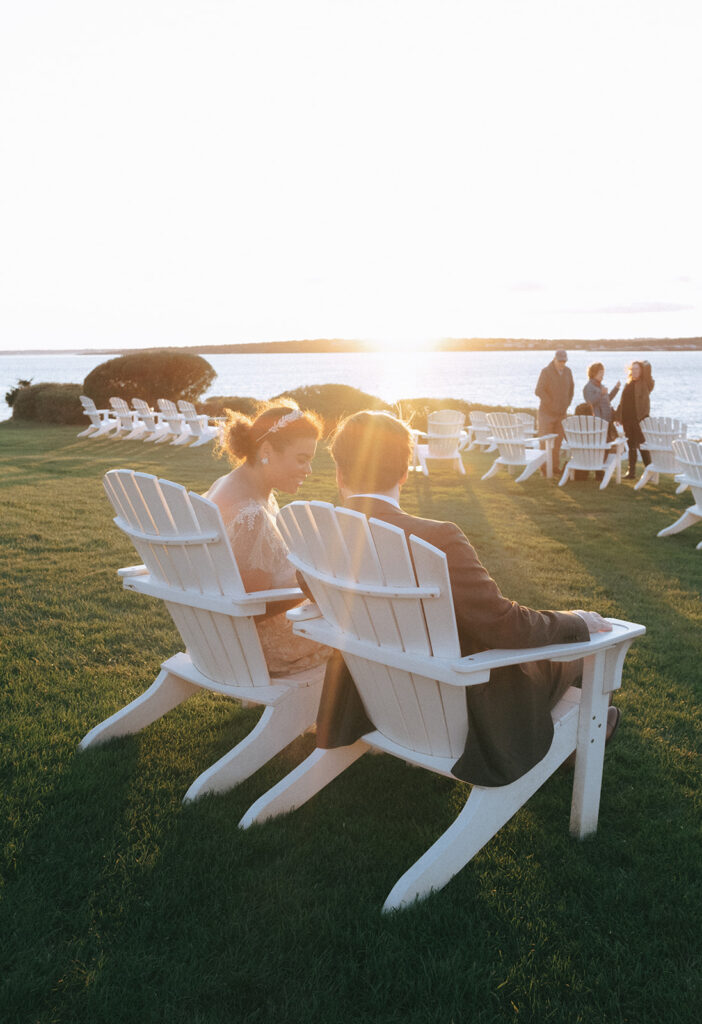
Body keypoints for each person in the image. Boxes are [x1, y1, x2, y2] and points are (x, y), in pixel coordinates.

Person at [312, 410, 620, 788]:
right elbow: (506, 627)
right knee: (584, 650)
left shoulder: (316, 535)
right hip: (458, 706)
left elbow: (315, 593)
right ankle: (589, 731)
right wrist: (575, 620)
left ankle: (592, 726)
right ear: (405, 472)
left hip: (373, 696)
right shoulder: (437, 538)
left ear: (340, 474)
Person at [205, 403, 331, 676]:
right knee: (361, 625)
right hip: (259, 649)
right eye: (301, 459)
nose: (308, 470)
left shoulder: (230, 484)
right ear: (266, 451)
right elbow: (252, 609)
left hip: (220, 639)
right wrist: (314, 587)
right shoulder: (252, 516)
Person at [535, 349, 574, 476]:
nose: (562, 363)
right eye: (560, 361)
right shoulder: (545, 372)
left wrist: (566, 404)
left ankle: (555, 467)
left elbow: (571, 390)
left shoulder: (568, 372)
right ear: (554, 359)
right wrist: (550, 403)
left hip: (561, 413)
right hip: (546, 413)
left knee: (557, 443)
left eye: (564, 361)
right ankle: (544, 468)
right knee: (545, 442)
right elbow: (539, 391)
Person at [615, 360, 654, 480]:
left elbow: (648, 370)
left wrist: (643, 364)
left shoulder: (646, 383)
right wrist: (618, 417)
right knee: (631, 446)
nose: (635, 371)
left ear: (641, 370)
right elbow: (622, 402)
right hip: (627, 419)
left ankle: (650, 471)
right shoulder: (628, 383)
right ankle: (631, 472)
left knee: (642, 446)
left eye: (637, 368)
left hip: (639, 420)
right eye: (633, 369)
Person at [583, 362, 620, 429]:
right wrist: (600, 393)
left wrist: (616, 388)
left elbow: (608, 399)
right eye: (600, 372)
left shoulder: (600, 386)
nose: (602, 374)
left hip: (607, 420)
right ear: (594, 373)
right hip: (597, 422)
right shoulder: (588, 387)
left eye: (603, 372)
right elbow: (590, 402)